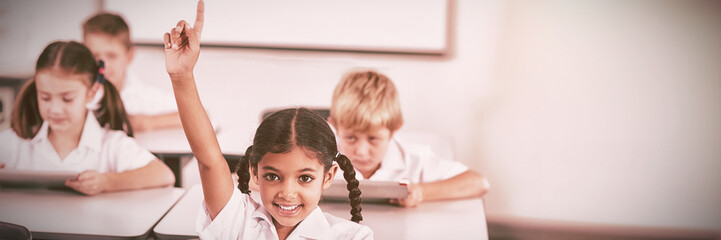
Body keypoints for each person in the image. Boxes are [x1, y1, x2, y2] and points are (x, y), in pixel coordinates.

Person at [162, 1, 372, 239]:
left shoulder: (352, 236)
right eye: (272, 176)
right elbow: (209, 160)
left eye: (305, 178)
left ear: (328, 176)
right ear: (254, 172)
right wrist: (181, 76)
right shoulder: (236, 220)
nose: (287, 193)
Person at [0, 41, 175, 195]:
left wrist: (107, 182)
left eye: (67, 99)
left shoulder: (111, 144)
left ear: (91, 93)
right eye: (45, 97)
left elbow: (163, 175)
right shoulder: (16, 142)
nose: (54, 109)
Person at [329, 70, 491, 207]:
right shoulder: (320, 156)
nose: (361, 151)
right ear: (334, 126)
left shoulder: (414, 159)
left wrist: (421, 192)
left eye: (373, 139)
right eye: (350, 138)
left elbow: (479, 183)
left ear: (394, 129)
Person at [83, 12, 181, 132]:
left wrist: (151, 122)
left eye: (112, 56)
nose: (103, 65)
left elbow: (201, 115)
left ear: (129, 56)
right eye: (94, 56)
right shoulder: (77, 95)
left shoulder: (143, 97)